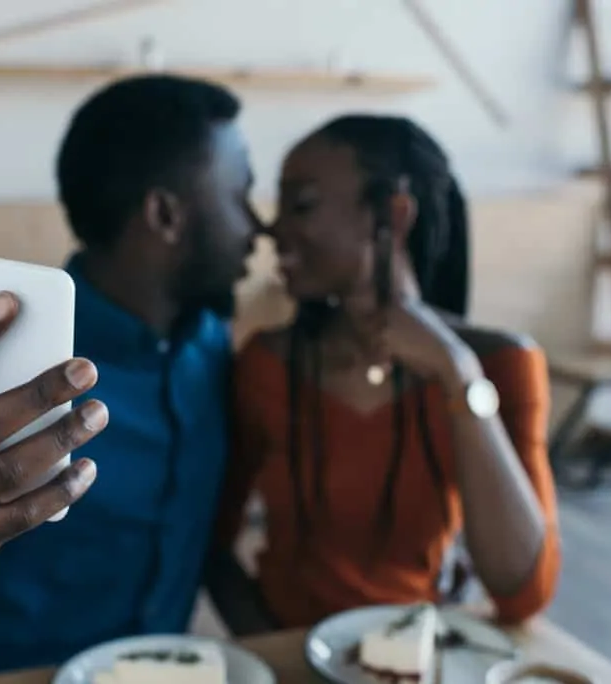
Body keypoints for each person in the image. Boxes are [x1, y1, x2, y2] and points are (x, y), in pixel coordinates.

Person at [0, 75, 259, 683]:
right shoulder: (15, 365)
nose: (255, 225)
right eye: (241, 193)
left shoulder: (210, 344)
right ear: (165, 214)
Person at [213, 115, 560, 630]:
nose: (272, 227)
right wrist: (268, 652)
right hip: (289, 653)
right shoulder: (268, 365)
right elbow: (211, 542)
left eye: (301, 204)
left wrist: (458, 377)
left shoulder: (500, 365)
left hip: (415, 651)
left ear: (392, 215)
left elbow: (522, 592)